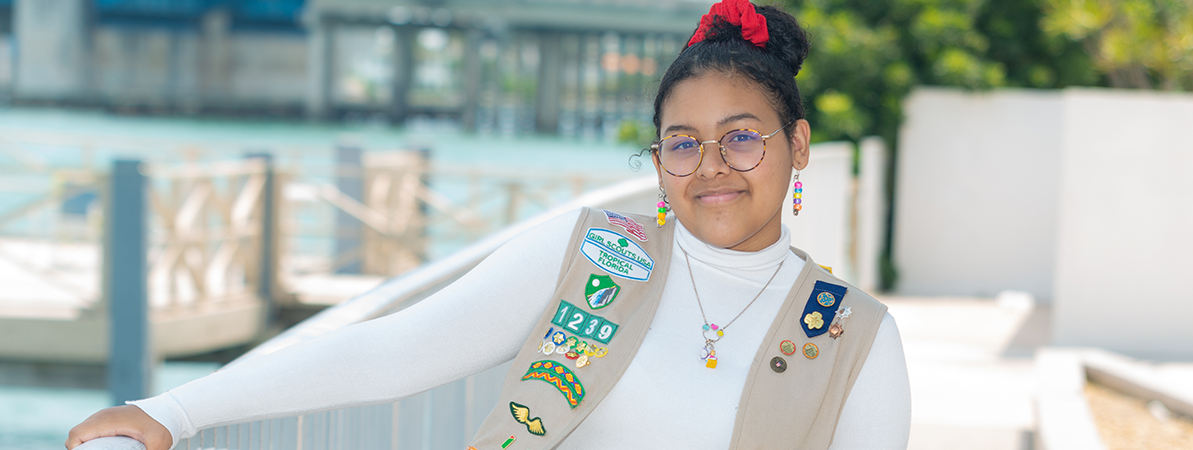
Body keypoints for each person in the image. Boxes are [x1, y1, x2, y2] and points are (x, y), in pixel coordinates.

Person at [68, 1, 910, 448]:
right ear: (658, 163)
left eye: (742, 138)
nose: (712, 167)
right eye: (683, 143)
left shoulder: (854, 337)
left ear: (798, 148)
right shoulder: (593, 255)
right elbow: (393, 351)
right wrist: (174, 411)